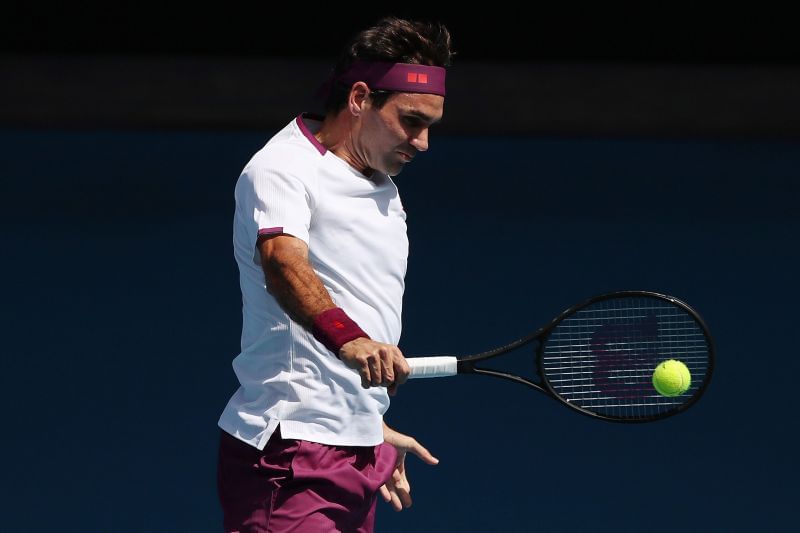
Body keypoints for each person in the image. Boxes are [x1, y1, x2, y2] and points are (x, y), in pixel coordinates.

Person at [216, 16, 455, 532]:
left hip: (354, 450)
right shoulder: (283, 168)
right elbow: (282, 261)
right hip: (290, 457)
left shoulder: (383, 186)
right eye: (411, 121)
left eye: (431, 125)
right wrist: (351, 341)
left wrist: (367, 422)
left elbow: (353, 301)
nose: (423, 142)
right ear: (359, 98)